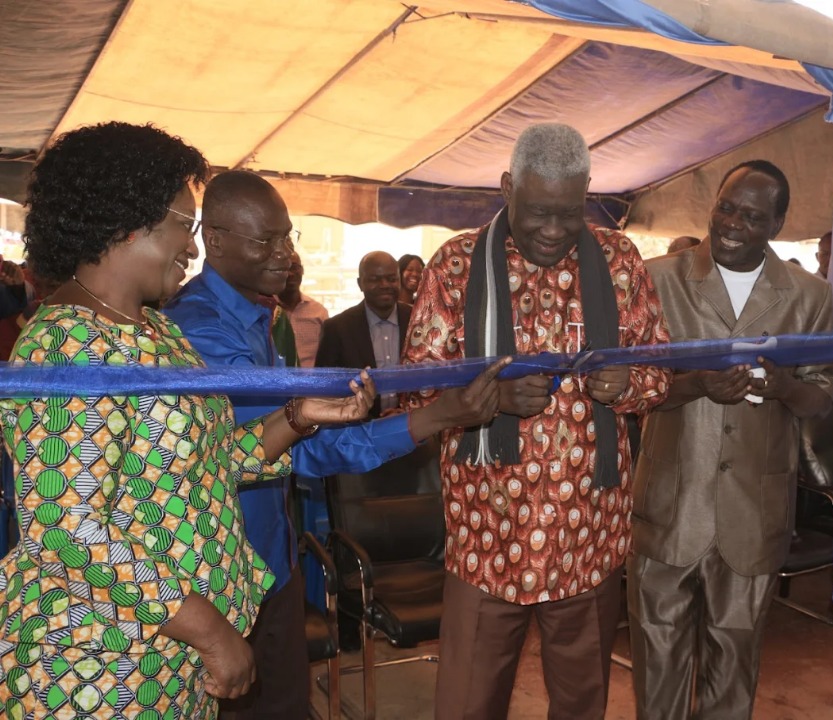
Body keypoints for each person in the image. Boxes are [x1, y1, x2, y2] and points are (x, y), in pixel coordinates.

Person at [0, 121, 389, 719]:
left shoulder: (156, 331)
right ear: (125, 222)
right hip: (99, 669)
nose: (192, 245)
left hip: (169, 663)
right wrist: (208, 629)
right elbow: (64, 526)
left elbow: (204, 465)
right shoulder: (67, 345)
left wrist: (296, 417)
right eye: (184, 224)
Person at [165, 169, 506, 719]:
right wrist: (434, 417)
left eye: (288, 237)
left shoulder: (255, 316)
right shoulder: (200, 331)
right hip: (224, 577)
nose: (285, 255)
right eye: (266, 241)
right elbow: (298, 450)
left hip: (274, 561)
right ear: (215, 240)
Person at [403, 123, 671, 720]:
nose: (553, 231)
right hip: (486, 534)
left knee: (581, 704)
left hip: (589, 536)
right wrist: (488, 396)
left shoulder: (620, 262)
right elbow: (416, 387)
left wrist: (628, 386)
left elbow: (659, 367)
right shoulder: (455, 265)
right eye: (539, 213)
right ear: (507, 189)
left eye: (569, 214)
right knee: (467, 704)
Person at [630, 160, 833, 720]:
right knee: (658, 657)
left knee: (736, 661)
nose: (731, 224)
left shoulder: (809, 296)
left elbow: (822, 397)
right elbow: (629, 388)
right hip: (669, 505)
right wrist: (693, 384)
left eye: (751, 215)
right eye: (725, 206)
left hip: (755, 509)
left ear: (777, 223)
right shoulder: (657, 279)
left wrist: (785, 387)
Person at [317, 251, 411, 418]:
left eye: (391, 279)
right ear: (360, 284)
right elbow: (324, 389)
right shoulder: (337, 328)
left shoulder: (418, 320)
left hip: (413, 428)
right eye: (375, 279)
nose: (384, 285)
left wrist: (409, 411)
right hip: (358, 431)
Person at [277, 250, 328, 368]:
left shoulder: (319, 312)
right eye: (285, 268)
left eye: (294, 267)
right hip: (275, 383)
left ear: (302, 270)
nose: (290, 274)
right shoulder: (267, 310)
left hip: (311, 384)